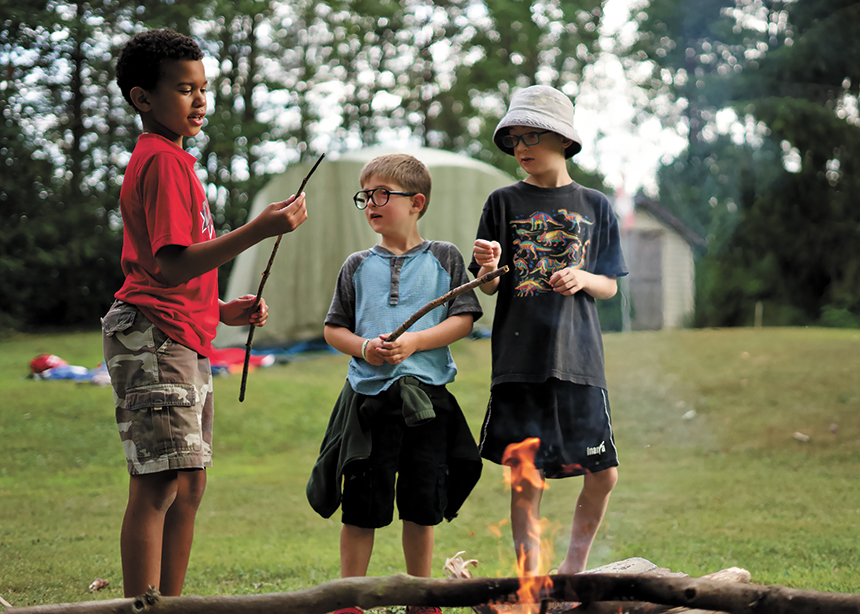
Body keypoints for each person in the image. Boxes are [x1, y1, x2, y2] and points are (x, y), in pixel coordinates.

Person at [101, 29, 308, 598]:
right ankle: (143, 607)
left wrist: (219, 308)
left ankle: (170, 603)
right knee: (159, 482)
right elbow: (167, 268)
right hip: (154, 336)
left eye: (204, 89)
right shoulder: (163, 162)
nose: (200, 101)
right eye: (185, 89)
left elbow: (168, 266)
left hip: (180, 334)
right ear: (143, 98)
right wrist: (259, 229)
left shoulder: (176, 161)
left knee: (187, 483)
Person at [306, 153, 483, 614]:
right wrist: (365, 348)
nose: (371, 203)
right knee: (361, 503)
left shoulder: (445, 256)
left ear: (416, 202)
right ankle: (350, 599)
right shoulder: (356, 264)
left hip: (428, 401)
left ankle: (420, 598)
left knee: (422, 501)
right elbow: (334, 329)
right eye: (365, 196)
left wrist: (416, 343)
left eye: (383, 194)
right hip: (369, 402)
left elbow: (464, 319)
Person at [470, 85, 628, 578]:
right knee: (526, 479)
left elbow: (609, 288)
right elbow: (490, 288)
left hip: (580, 361)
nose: (520, 147)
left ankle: (573, 568)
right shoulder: (502, 201)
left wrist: (583, 277)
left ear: (562, 139)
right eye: (514, 138)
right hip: (519, 363)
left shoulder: (596, 205)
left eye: (531, 135)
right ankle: (529, 582)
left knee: (603, 474)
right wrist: (491, 267)